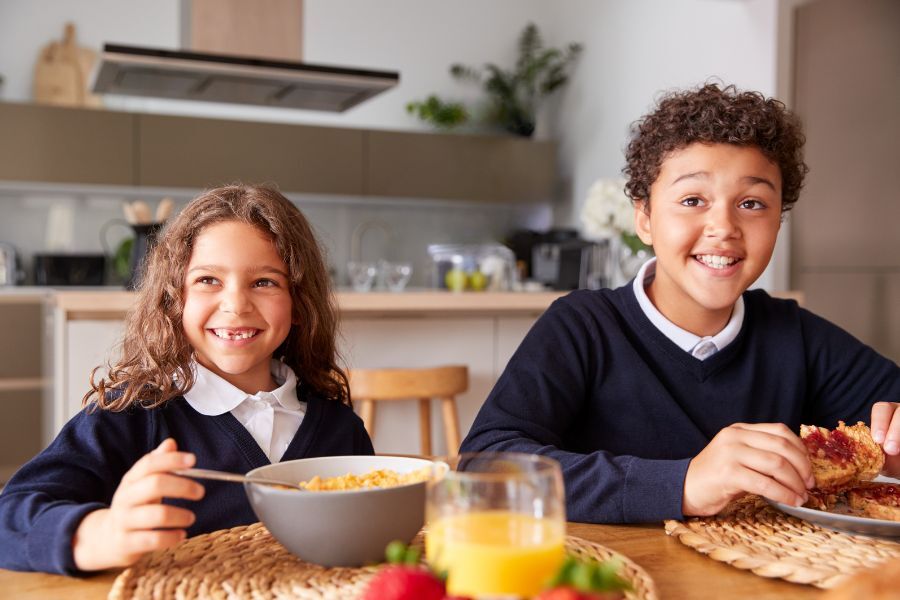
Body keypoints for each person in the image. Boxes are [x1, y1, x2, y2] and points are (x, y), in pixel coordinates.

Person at [460, 83, 900, 524]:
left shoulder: (797, 336)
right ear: (645, 218)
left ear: (778, 223)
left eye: (752, 203)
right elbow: (485, 464)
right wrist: (683, 484)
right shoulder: (583, 327)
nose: (723, 227)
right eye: (692, 200)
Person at [0, 185, 373, 574]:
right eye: (208, 280)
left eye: (264, 282)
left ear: (299, 303)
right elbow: (10, 518)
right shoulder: (131, 417)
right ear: (174, 298)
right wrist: (102, 533)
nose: (235, 304)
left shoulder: (340, 430)